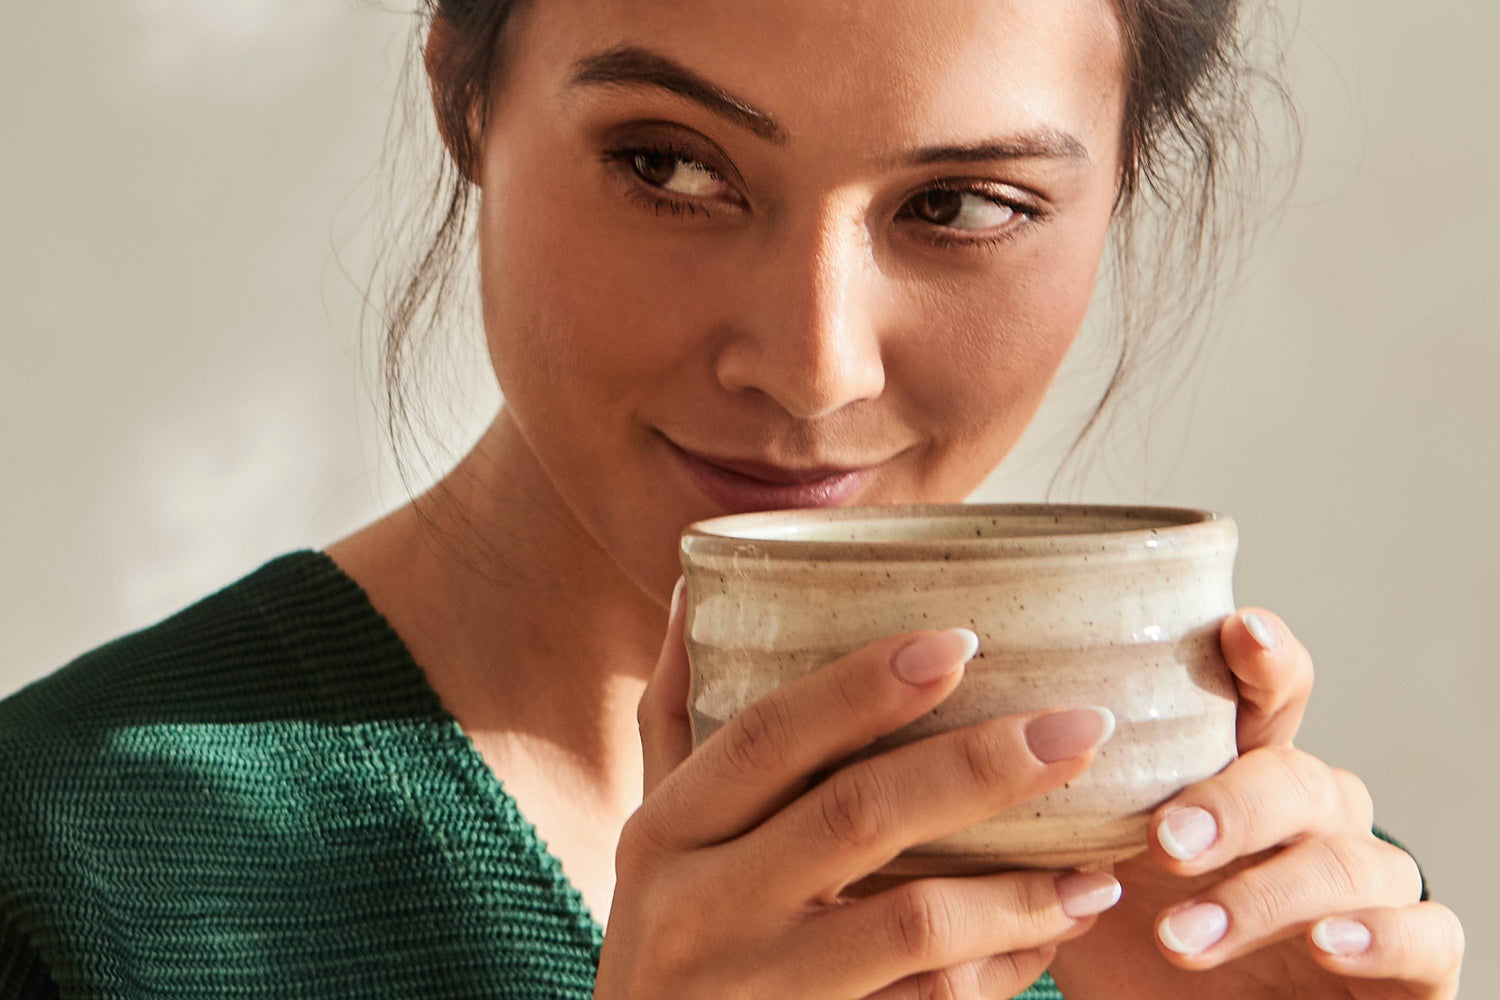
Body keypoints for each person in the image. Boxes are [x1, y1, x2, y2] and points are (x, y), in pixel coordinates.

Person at [0, 0, 1466, 996]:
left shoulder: (1230, 917)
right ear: (463, 95)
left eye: (957, 205)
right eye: (668, 166)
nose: (812, 370)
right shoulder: (64, 880)